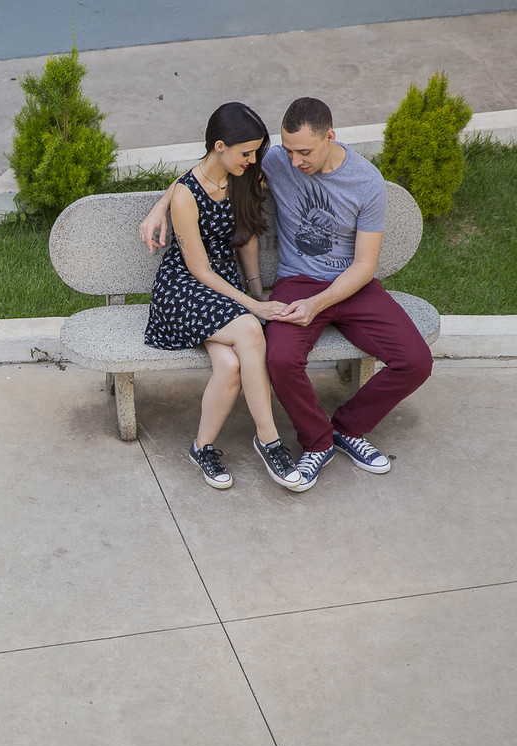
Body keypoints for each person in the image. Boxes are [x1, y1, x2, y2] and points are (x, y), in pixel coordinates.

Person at [140, 97, 433, 491]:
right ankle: (314, 442)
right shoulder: (275, 161)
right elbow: (207, 171)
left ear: (330, 137)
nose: (293, 162)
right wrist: (161, 205)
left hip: (351, 285)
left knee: (416, 361)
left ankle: (347, 429)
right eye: (288, 150)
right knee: (278, 357)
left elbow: (364, 267)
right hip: (297, 281)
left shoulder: (366, 182)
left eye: (304, 152)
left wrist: (316, 304)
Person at [143, 102, 303, 492]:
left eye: (255, 152)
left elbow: (245, 236)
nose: (252, 160)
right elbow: (198, 269)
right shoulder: (185, 195)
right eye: (245, 152)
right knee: (250, 331)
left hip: (224, 287)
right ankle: (270, 442)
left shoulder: (245, 176)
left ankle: (202, 447)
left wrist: (257, 288)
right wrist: (253, 306)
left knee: (230, 366)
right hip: (184, 289)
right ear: (219, 146)